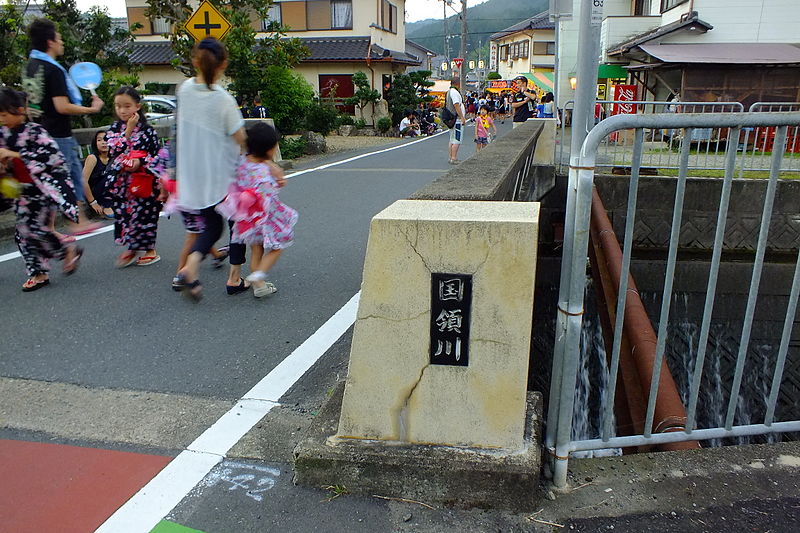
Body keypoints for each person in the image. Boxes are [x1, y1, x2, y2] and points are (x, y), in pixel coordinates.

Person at [174, 37, 247, 301]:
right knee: (236, 224)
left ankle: (190, 269)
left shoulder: (184, 90)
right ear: (223, 64)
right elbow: (240, 137)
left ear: (195, 61)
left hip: (193, 175)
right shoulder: (223, 100)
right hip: (221, 176)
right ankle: (233, 277)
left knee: (211, 225)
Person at [23, 18, 104, 236]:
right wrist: (91, 110)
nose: (62, 42)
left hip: (36, 134)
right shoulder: (53, 70)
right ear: (50, 41)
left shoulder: (31, 67)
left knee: (50, 181)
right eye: (58, 38)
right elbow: (61, 106)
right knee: (70, 177)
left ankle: (52, 228)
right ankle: (78, 221)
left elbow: (30, 105)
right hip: (58, 134)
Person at [0, 87, 83, 291]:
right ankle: (38, 272)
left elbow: (52, 159)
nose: (1, 119)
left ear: (19, 110)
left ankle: (65, 251)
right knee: (22, 232)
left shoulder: (36, 132)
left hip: (42, 189)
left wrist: (14, 154)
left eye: (4, 114)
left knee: (35, 229)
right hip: (18, 190)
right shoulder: (2, 133)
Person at [218, 122, 297, 298]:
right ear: (269, 150)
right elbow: (267, 194)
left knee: (257, 248)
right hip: (264, 217)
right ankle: (258, 274)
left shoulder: (242, 162)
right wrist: (279, 183)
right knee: (278, 246)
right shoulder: (263, 171)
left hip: (246, 219)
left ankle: (259, 285)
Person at [105, 87, 167, 268]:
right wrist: (128, 131)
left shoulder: (148, 131)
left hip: (144, 179)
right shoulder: (114, 128)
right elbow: (112, 150)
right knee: (125, 215)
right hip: (122, 182)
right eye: (118, 106)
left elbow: (156, 156)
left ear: (137, 106)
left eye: (127, 106)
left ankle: (149, 250)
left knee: (145, 214)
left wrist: (141, 161)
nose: (122, 111)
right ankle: (132, 248)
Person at [82, 129, 114, 220]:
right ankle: (105, 205)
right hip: (94, 192)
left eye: (106, 139)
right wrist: (93, 202)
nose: (104, 143)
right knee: (111, 175)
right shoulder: (93, 158)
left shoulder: (113, 158)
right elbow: (83, 181)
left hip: (109, 190)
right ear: (95, 143)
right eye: (99, 140)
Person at [446, 78, 467, 165]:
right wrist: (462, 117)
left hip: (452, 118)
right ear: (457, 83)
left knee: (452, 139)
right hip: (456, 119)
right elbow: (456, 104)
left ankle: (451, 157)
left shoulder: (449, 92)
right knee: (457, 139)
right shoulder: (454, 92)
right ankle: (454, 158)